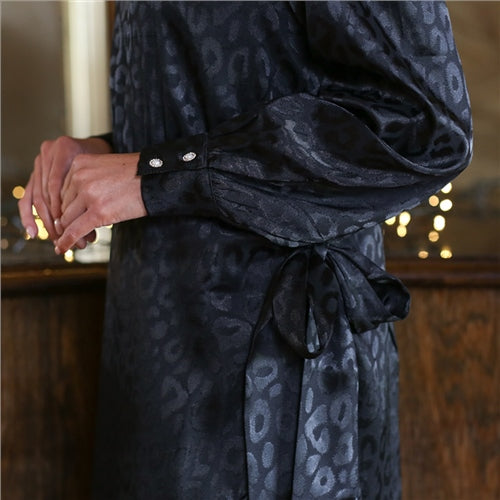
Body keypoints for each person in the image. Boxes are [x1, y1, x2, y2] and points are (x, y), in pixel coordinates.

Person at [19, 2, 472, 498]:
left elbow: (428, 129)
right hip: (153, 349)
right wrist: (112, 154)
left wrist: (159, 171)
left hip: (275, 367)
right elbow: (223, 90)